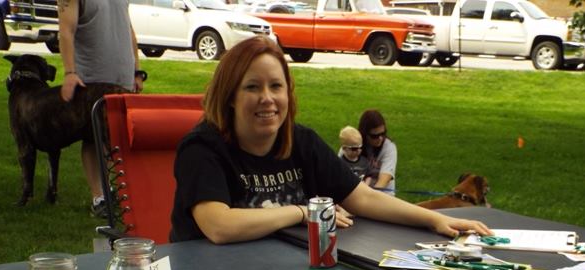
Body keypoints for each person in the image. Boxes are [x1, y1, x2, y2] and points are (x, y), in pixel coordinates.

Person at [170, 36, 489, 244]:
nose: (267, 98)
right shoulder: (202, 149)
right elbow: (219, 226)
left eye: (276, 86)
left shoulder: (301, 142)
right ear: (230, 96)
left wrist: (435, 219)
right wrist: (302, 211)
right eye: (252, 87)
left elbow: (363, 198)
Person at [57, 0, 145, 216]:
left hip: (123, 77)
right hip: (91, 78)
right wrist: (70, 73)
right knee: (93, 138)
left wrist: (137, 70)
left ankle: (121, 192)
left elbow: (127, 27)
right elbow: (66, 30)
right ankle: (99, 197)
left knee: (121, 136)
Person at [358, 109, 397, 195]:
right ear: (365, 134)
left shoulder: (389, 147)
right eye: (374, 136)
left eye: (383, 133)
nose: (380, 138)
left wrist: (367, 197)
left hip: (382, 195)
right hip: (358, 195)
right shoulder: (352, 146)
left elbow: (383, 181)